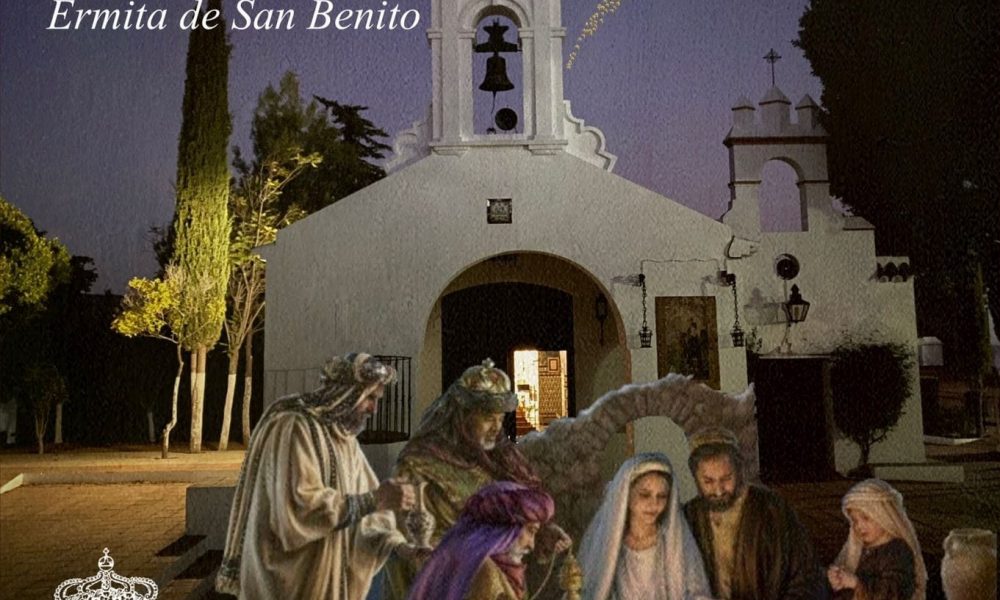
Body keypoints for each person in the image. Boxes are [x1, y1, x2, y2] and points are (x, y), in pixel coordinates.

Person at [216, 353, 427, 599]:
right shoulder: (294, 426)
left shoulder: (344, 440)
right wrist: (376, 499)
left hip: (326, 581)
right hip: (286, 583)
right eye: (370, 397)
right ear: (347, 393)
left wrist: (403, 549)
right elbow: (298, 509)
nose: (374, 408)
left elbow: (368, 517)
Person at [384, 359, 571, 598]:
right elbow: (407, 545)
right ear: (462, 417)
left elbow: (514, 523)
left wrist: (541, 531)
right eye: (487, 418)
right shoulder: (417, 466)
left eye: (500, 418)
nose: (496, 427)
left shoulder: (504, 462)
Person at [683, 426, 827, 600]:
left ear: (739, 471)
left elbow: (807, 577)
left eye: (726, 478)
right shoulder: (689, 517)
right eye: (708, 481)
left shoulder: (772, 509)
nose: (719, 490)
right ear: (695, 478)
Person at [578, 452, 713, 600]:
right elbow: (593, 590)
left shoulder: (676, 542)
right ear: (626, 496)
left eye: (661, 496)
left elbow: (698, 593)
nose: (654, 504)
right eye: (644, 495)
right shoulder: (609, 544)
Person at [407, 481, 556, 600]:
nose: (531, 545)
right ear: (504, 530)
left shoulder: (477, 565)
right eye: (531, 531)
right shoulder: (485, 572)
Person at [827, 479, 927, 600]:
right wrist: (836, 580)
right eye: (855, 520)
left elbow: (894, 592)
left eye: (866, 518)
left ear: (883, 515)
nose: (859, 526)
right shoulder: (858, 550)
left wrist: (856, 583)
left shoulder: (897, 551)